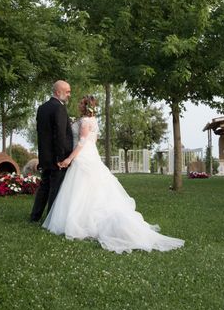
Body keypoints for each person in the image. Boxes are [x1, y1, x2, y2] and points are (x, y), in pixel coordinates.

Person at [42, 95, 184, 253]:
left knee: (81, 186)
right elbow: (92, 141)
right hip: (91, 154)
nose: (78, 105)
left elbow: (82, 142)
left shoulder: (84, 121)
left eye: (81, 103)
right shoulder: (93, 120)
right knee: (92, 188)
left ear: (85, 106)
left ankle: (79, 220)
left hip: (82, 155)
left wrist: (69, 158)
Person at [30, 80, 73, 223]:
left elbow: (41, 134)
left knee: (44, 187)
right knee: (55, 188)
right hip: (57, 157)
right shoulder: (59, 108)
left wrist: (43, 156)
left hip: (46, 156)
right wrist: (61, 158)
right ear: (57, 92)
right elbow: (60, 135)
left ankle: (35, 216)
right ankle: (51, 219)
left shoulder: (42, 108)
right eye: (67, 92)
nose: (69, 95)